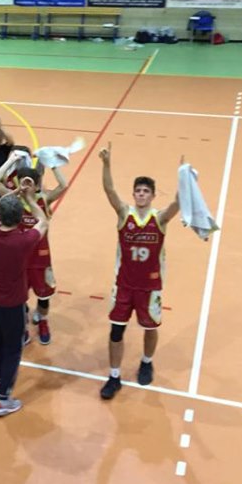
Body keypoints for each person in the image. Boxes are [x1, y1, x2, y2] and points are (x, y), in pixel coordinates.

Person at [98, 141, 180, 400]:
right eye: (138, 191)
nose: (141, 194)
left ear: (153, 195)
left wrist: (184, 178)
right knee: (116, 331)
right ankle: (114, 377)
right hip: (123, 285)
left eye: (146, 191)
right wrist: (107, 164)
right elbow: (109, 190)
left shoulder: (160, 218)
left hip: (150, 287)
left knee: (150, 328)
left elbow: (178, 202)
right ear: (133, 194)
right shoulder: (125, 214)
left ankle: (146, 362)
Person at [0, 184, 48, 417]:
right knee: (12, 349)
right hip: (12, 304)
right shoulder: (24, 240)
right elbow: (43, 221)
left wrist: (14, 193)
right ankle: (2, 399)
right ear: (20, 219)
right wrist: (30, 198)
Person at [0, 154, 69, 345]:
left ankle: (43, 321)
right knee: (19, 298)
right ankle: (22, 327)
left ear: (36, 184)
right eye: (22, 181)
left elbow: (63, 185)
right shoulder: (12, 200)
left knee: (44, 296)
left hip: (41, 259)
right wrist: (11, 160)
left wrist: (53, 164)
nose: (26, 185)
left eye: (29, 182)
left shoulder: (43, 199)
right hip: (19, 259)